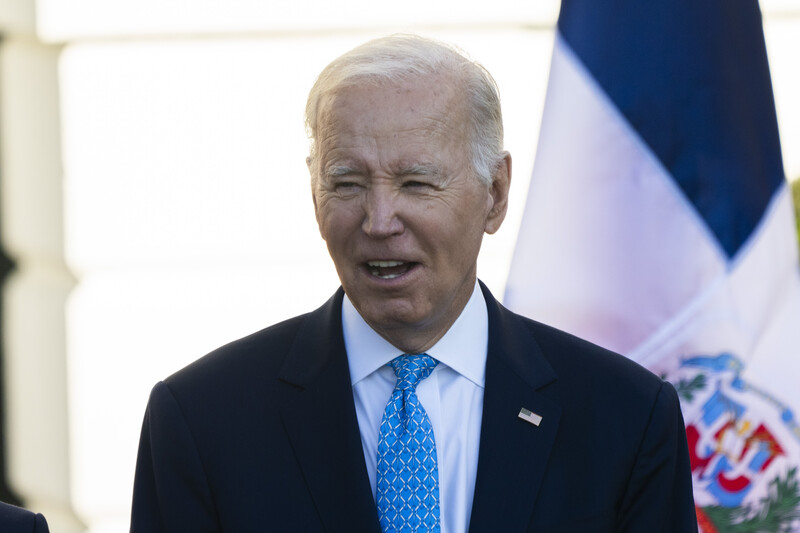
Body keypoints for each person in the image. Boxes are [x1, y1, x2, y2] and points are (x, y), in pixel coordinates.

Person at [130, 34, 697, 532]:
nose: (378, 221)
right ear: (313, 193)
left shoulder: (624, 418)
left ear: (495, 194)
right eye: (347, 184)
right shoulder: (202, 420)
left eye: (416, 184)